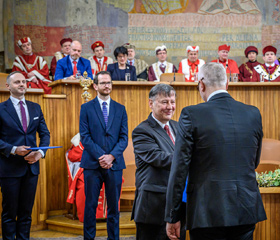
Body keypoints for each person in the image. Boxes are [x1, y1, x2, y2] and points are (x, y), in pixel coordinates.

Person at [165, 62, 266, 240]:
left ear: (201, 85)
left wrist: (173, 215)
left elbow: (180, 169)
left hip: (207, 211)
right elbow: (254, 161)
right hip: (245, 207)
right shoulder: (253, 113)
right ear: (227, 84)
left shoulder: (191, 114)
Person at [0, 71, 50, 239]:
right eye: (17, 82)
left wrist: (40, 153)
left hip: (31, 168)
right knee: (9, 213)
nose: (22, 84)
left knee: (26, 213)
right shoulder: (1, 109)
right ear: (8, 86)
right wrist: (13, 149)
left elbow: (45, 134)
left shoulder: (35, 107)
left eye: (24, 81)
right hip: (9, 169)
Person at [132, 84, 186, 240]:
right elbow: (160, 158)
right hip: (153, 209)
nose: (170, 107)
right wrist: (192, 158)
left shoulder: (179, 127)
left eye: (172, 102)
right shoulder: (142, 131)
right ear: (151, 103)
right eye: (164, 102)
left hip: (178, 207)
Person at [79, 71, 128, 239]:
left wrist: (111, 157)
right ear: (95, 86)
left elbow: (123, 138)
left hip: (115, 164)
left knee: (114, 207)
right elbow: (85, 137)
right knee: (91, 205)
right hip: (92, 164)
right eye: (103, 83)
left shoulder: (120, 109)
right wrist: (102, 156)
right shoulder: (86, 108)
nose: (107, 85)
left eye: (109, 82)